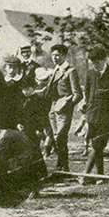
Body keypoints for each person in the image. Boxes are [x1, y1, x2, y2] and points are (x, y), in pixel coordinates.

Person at [79, 46, 109, 184]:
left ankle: (85, 175)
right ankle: (100, 175)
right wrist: (85, 106)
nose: (95, 65)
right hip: (92, 114)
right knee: (96, 145)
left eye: (97, 62)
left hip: (107, 115)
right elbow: (87, 94)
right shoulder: (90, 73)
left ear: (104, 60)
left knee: (98, 145)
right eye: (92, 62)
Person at [46, 41, 82, 172]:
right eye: (53, 55)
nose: (54, 58)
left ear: (64, 56)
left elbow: (78, 94)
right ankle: (60, 166)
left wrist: (67, 106)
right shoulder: (55, 70)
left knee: (61, 137)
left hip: (63, 110)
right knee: (56, 138)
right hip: (53, 109)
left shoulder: (70, 71)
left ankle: (64, 166)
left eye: (57, 55)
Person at [0, 126, 47, 197]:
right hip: (36, 162)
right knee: (4, 160)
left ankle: (4, 189)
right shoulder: (15, 133)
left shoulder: (7, 138)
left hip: (26, 163)